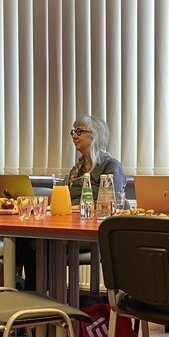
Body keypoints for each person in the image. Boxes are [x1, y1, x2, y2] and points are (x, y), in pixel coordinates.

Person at [16, 115, 126, 291]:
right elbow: (64, 197)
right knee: (21, 237)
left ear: (95, 135)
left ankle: (37, 295)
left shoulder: (110, 165)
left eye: (79, 131)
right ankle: (18, 290)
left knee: (34, 246)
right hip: (67, 225)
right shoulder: (78, 168)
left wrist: (66, 209)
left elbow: (110, 204)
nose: (74, 135)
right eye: (73, 131)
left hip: (92, 231)